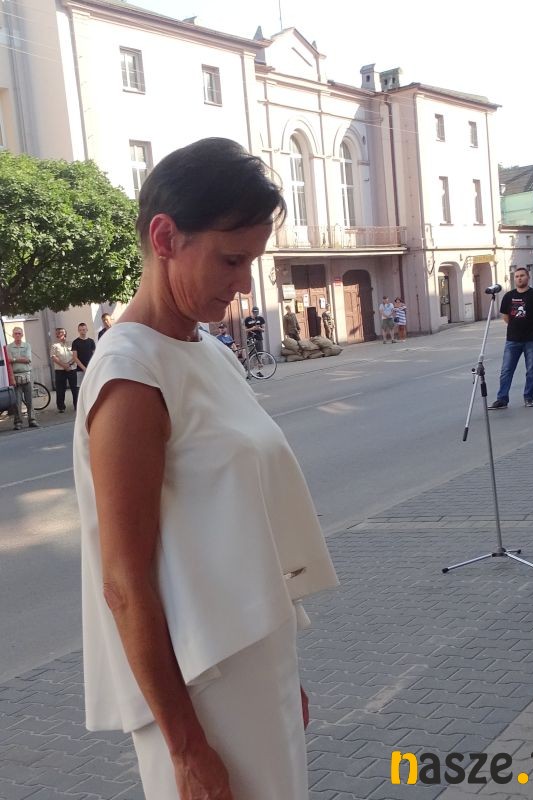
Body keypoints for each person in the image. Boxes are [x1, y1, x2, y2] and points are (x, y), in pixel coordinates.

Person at [72, 137, 338, 800]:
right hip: (199, 691)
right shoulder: (131, 376)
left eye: (252, 261)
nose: (244, 283)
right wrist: (186, 749)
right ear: (165, 237)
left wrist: (280, 672)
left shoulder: (208, 352)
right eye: (230, 259)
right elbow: (124, 584)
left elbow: (237, 530)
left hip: (254, 664)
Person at [489, 267, 533, 409]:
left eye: (522, 275)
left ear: (528, 277)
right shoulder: (508, 296)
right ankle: (502, 399)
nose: (519, 278)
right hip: (513, 339)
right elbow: (505, 316)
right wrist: (516, 326)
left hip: (532, 339)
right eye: (516, 276)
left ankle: (528, 397)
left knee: (531, 370)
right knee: (506, 370)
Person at [7, 327, 39, 430]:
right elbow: (8, 362)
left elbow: (28, 359)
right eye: (15, 333)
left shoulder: (27, 345)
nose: (17, 335)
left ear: (22, 335)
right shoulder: (9, 347)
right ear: (13, 335)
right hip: (15, 376)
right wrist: (12, 377)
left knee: (30, 400)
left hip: (27, 375)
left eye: (19, 333)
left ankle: (32, 420)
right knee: (17, 402)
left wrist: (14, 359)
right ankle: (18, 422)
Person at [50, 328, 78, 412]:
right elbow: (54, 357)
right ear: (57, 335)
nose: (61, 334)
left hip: (72, 368)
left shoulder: (71, 343)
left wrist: (69, 364)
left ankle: (77, 405)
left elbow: (75, 355)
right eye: (59, 333)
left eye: (63, 332)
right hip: (60, 370)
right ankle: (61, 407)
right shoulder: (54, 345)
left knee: (75, 388)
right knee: (60, 389)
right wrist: (64, 365)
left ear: (65, 334)